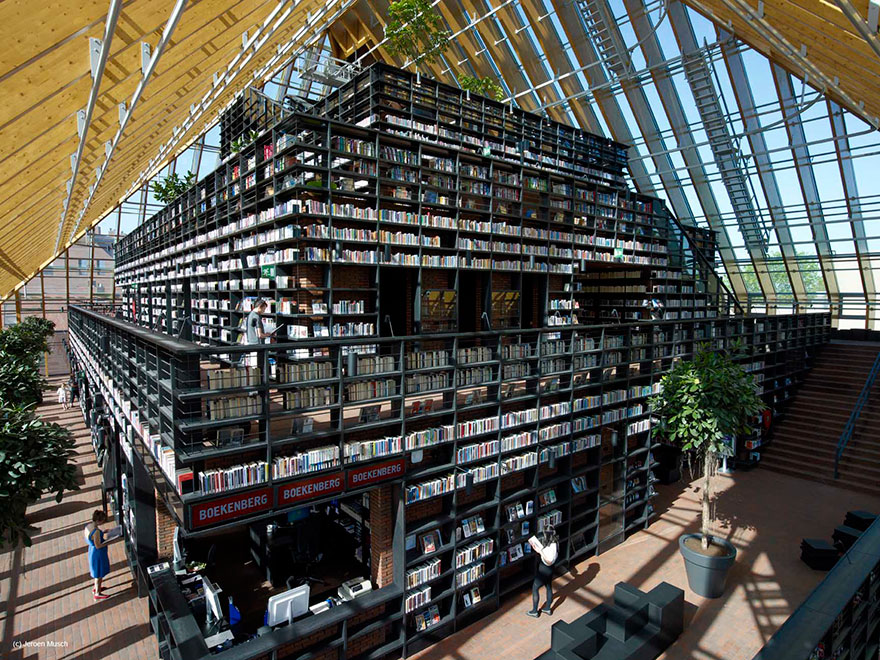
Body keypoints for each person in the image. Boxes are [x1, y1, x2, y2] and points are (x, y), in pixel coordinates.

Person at [84, 510, 118, 600]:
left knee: (97, 571)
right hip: (98, 554)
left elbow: (93, 538)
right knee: (99, 573)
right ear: (99, 520)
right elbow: (98, 545)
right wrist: (108, 542)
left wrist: (104, 531)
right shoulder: (96, 532)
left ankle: (97, 588)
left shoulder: (89, 526)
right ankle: (98, 593)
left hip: (92, 551)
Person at [527, 524, 559, 617]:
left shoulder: (550, 548)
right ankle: (547, 608)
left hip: (544, 570)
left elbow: (549, 560)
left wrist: (539, 551)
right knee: (548, 586)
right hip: (550, 570)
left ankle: (534, 611)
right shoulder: (555, 543)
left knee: (535, 588)